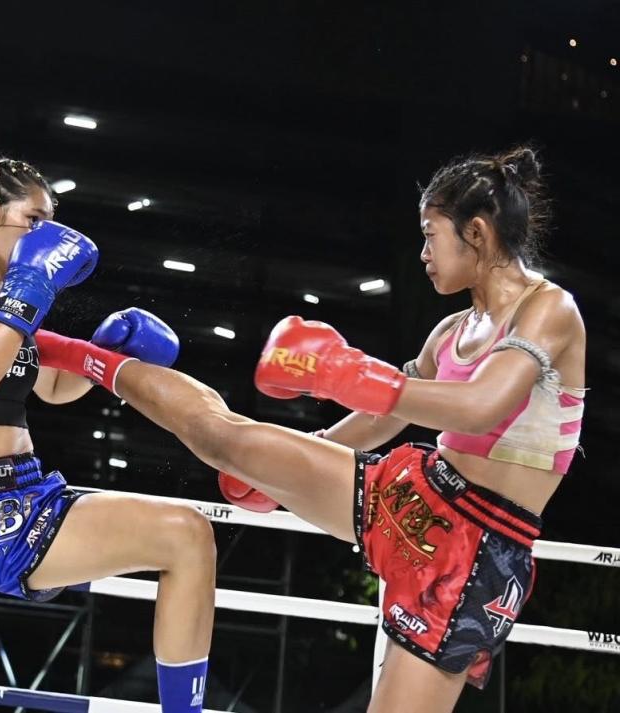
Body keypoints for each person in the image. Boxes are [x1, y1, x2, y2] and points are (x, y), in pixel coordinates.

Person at [35, 146, 585, 713]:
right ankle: (67, 351)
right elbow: (387, 416)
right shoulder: (452, 329)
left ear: (476, 232)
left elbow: (481, 406)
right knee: (232, 441)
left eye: (430, 235)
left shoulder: (549, 310)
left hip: (476, 544)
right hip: (413, 492)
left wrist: (344, 374)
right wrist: (299, 460)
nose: (423, 253)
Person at [0, 157, 216, 713]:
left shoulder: (17, 302)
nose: (44, 237)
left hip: (27, 503)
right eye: (33, 221)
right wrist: (29, 287)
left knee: (187, 534)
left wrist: (108, 349)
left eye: (49, 224)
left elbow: (51, 387)